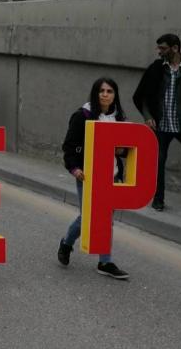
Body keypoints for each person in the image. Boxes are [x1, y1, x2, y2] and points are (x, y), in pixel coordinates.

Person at [57, 77, 130, 279]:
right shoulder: (83, 116)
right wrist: (74, 168)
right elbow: (69, 146)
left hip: (112, 176)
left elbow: (124, 151)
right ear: (95, 94)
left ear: (115, 95)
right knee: (88, 217)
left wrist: (123, 152)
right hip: (88, 175)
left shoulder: (119, 118)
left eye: (109, 91)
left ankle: (105, 262)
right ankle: (66, 243)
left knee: (106, 218)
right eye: (101, 91)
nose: (105, 94)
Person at [133, 34, 181, 211]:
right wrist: (147, 116)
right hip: (161, 126)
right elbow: (142, 96)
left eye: (163, 48)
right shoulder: (156, 68)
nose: (159, 52)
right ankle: (158, 199)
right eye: (159, 48)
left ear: (175, 48)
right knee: (158, 161)